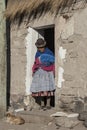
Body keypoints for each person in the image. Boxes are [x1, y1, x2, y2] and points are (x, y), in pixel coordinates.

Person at [30, 38, 55, 110]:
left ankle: (48, 104)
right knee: (40, 88)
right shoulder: (37, 53)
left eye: (41, 47)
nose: (40, 49)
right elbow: (36, 62)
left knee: (48, 88)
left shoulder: (49, 53)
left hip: (48, 72)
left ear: (44, 46)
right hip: (40, 73)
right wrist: (34, 71)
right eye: (39, 48)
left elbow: (52, 62)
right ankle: (42, 104)